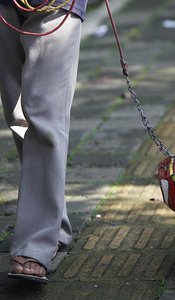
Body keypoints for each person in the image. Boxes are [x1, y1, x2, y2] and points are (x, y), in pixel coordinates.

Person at [0, 0, 88, 283]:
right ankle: (54, 225)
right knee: (18, 119)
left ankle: (35, 244)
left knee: (43, 121)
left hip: (55, 5)